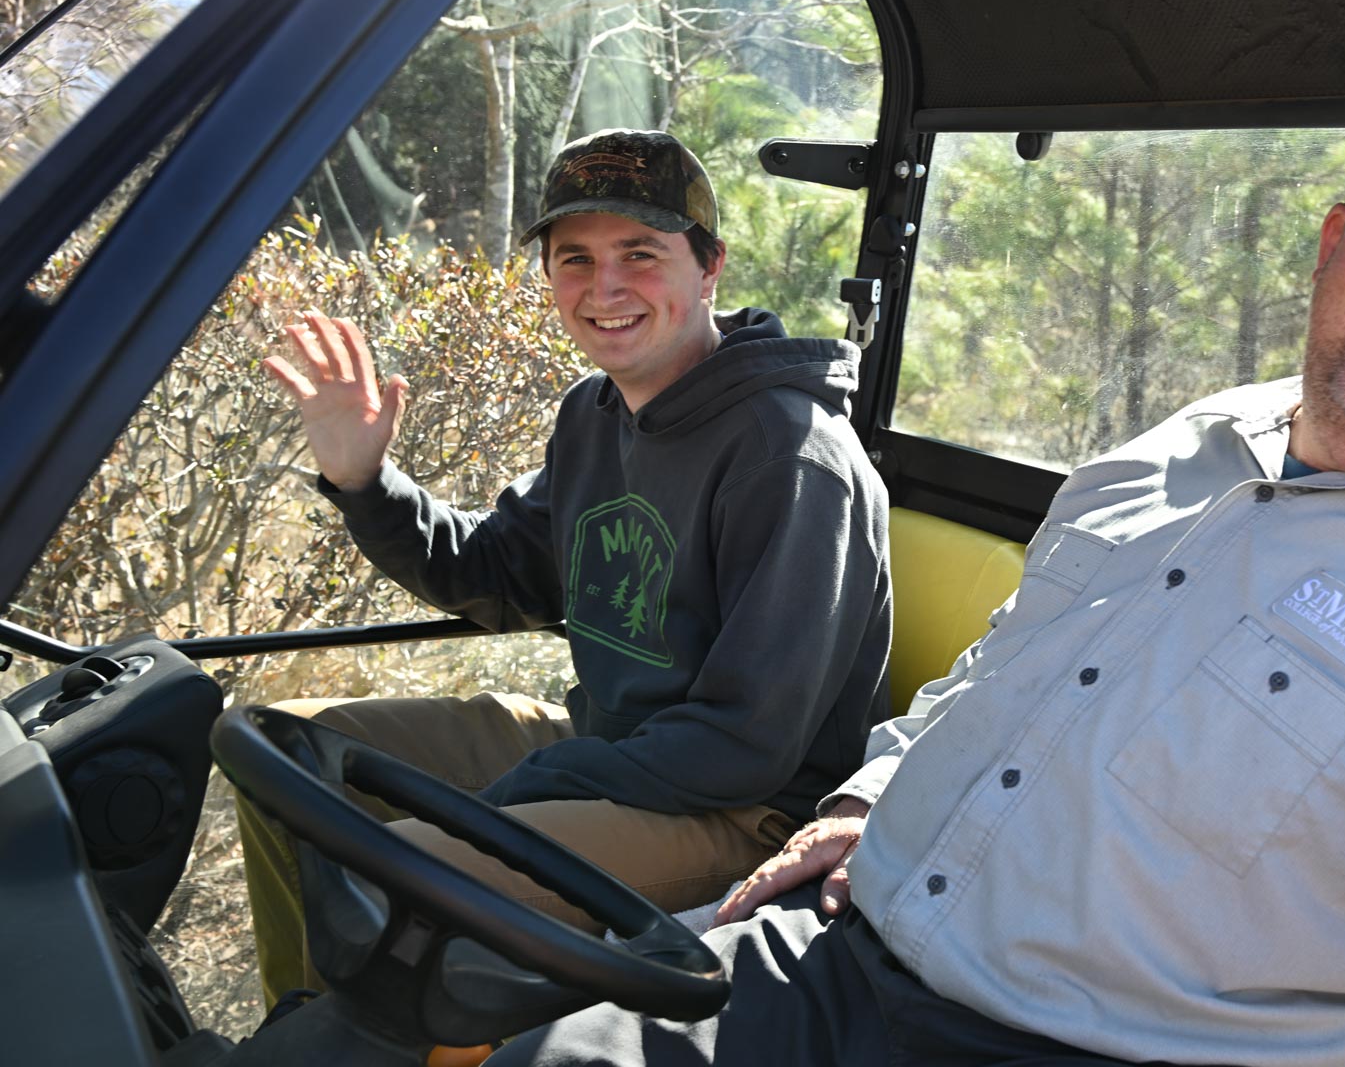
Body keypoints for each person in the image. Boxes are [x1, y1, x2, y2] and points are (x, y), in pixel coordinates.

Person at [494, 78, 1345, 1067]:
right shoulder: (1181, 448)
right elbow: (1006, 672)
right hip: (836, 951)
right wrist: (879, 789)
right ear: (1337, 242)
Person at [240, 128, 893, 1005]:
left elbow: (743, 744)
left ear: (710, 268)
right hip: (612, 752)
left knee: (393, 871)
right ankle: (302, 1021)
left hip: (742, 813)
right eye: (574, 258)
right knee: (283, 752)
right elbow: (500, 574)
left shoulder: (790, 453)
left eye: (640, 253)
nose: (606, 286)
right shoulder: (594, 412)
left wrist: (505, 797)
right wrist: (364, 481)